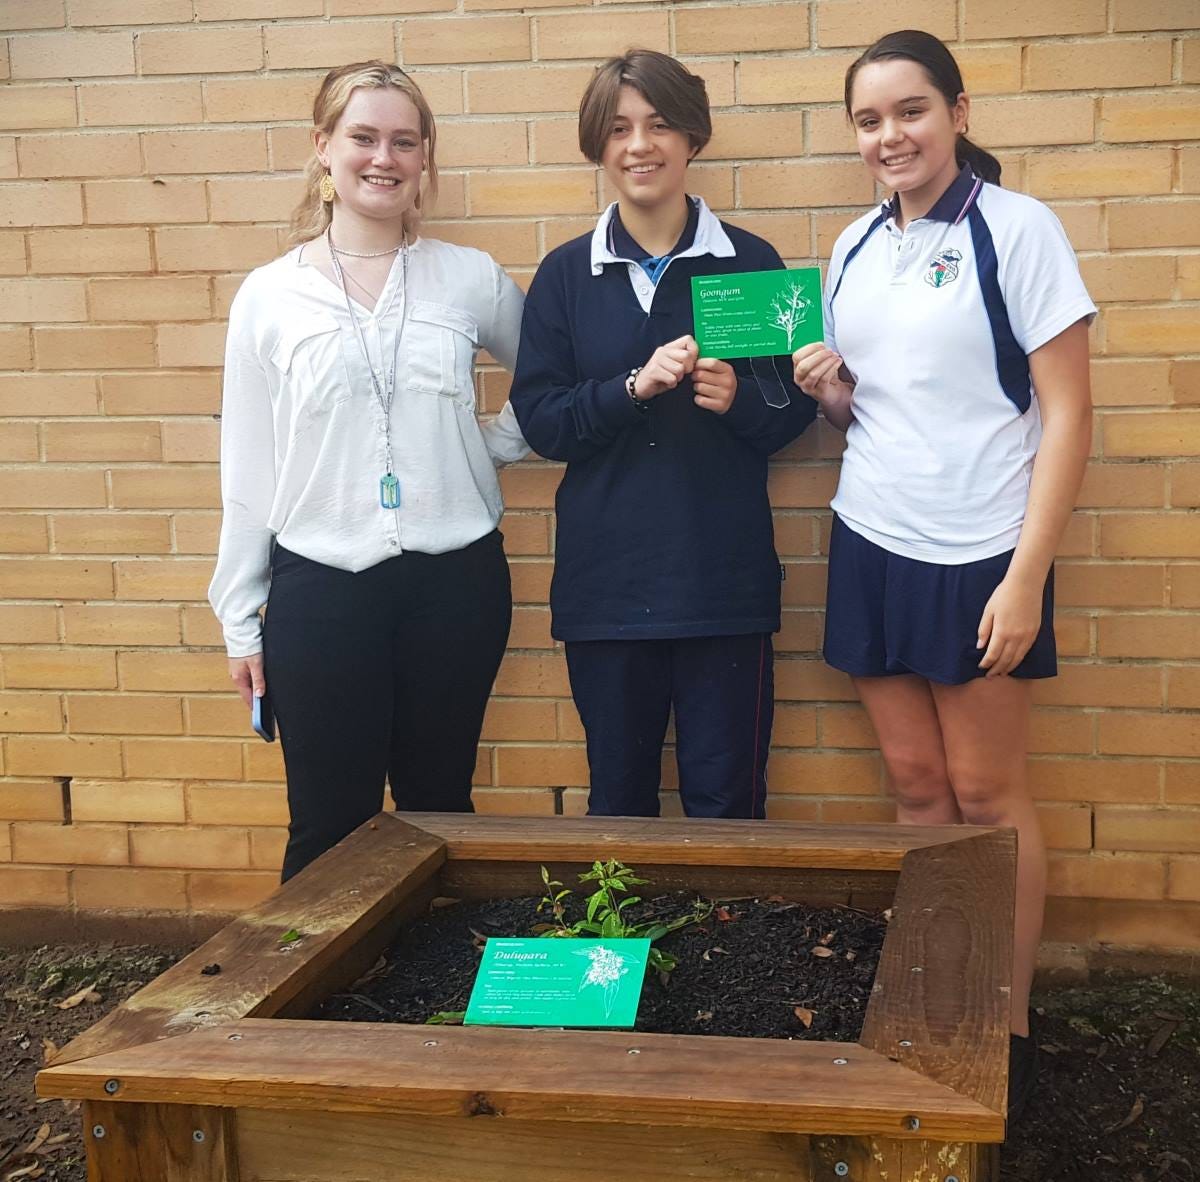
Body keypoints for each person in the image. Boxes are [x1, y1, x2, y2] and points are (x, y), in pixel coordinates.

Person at [792, 30, 1094, 1119]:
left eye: (910, 111)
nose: (891, 136)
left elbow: (1068, 415)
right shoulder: (851, 246)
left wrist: (1025, 578)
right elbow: (870, 410)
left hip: (981, 551)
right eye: (870, 120)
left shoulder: (1019, 231)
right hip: (872, 537)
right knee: (918, 791)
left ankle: (1002, 1030)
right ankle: (942, 1000)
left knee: (987, 797)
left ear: (958, 113)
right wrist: (829, 392)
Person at [208, 62, 529, 881]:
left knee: (440, 808)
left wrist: (479, 448)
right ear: (323, 149)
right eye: (362, 137)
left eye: (403, 141)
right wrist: (241, 617)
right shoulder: (269, 297)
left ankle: (436, 999)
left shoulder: (468, 277)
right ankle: (313, 1005)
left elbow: (547, 388)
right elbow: (249, 468)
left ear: (424, 158)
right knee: (327, 823)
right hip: (322, 586)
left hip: (456, 585)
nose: (382, 157)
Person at [510, 50, 817, 822]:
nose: (639, 145)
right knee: (618, 801)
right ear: (598, 146)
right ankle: (625, 949)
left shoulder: (751, 262)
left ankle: (732, 944)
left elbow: (794, 415)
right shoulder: (564, 275)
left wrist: (738, 400)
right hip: (607, 589)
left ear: (692, 138)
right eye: (618, 129)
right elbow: (542, 420)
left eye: (658, 124)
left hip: (723, 586)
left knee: (730, 802)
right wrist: (628, 390)